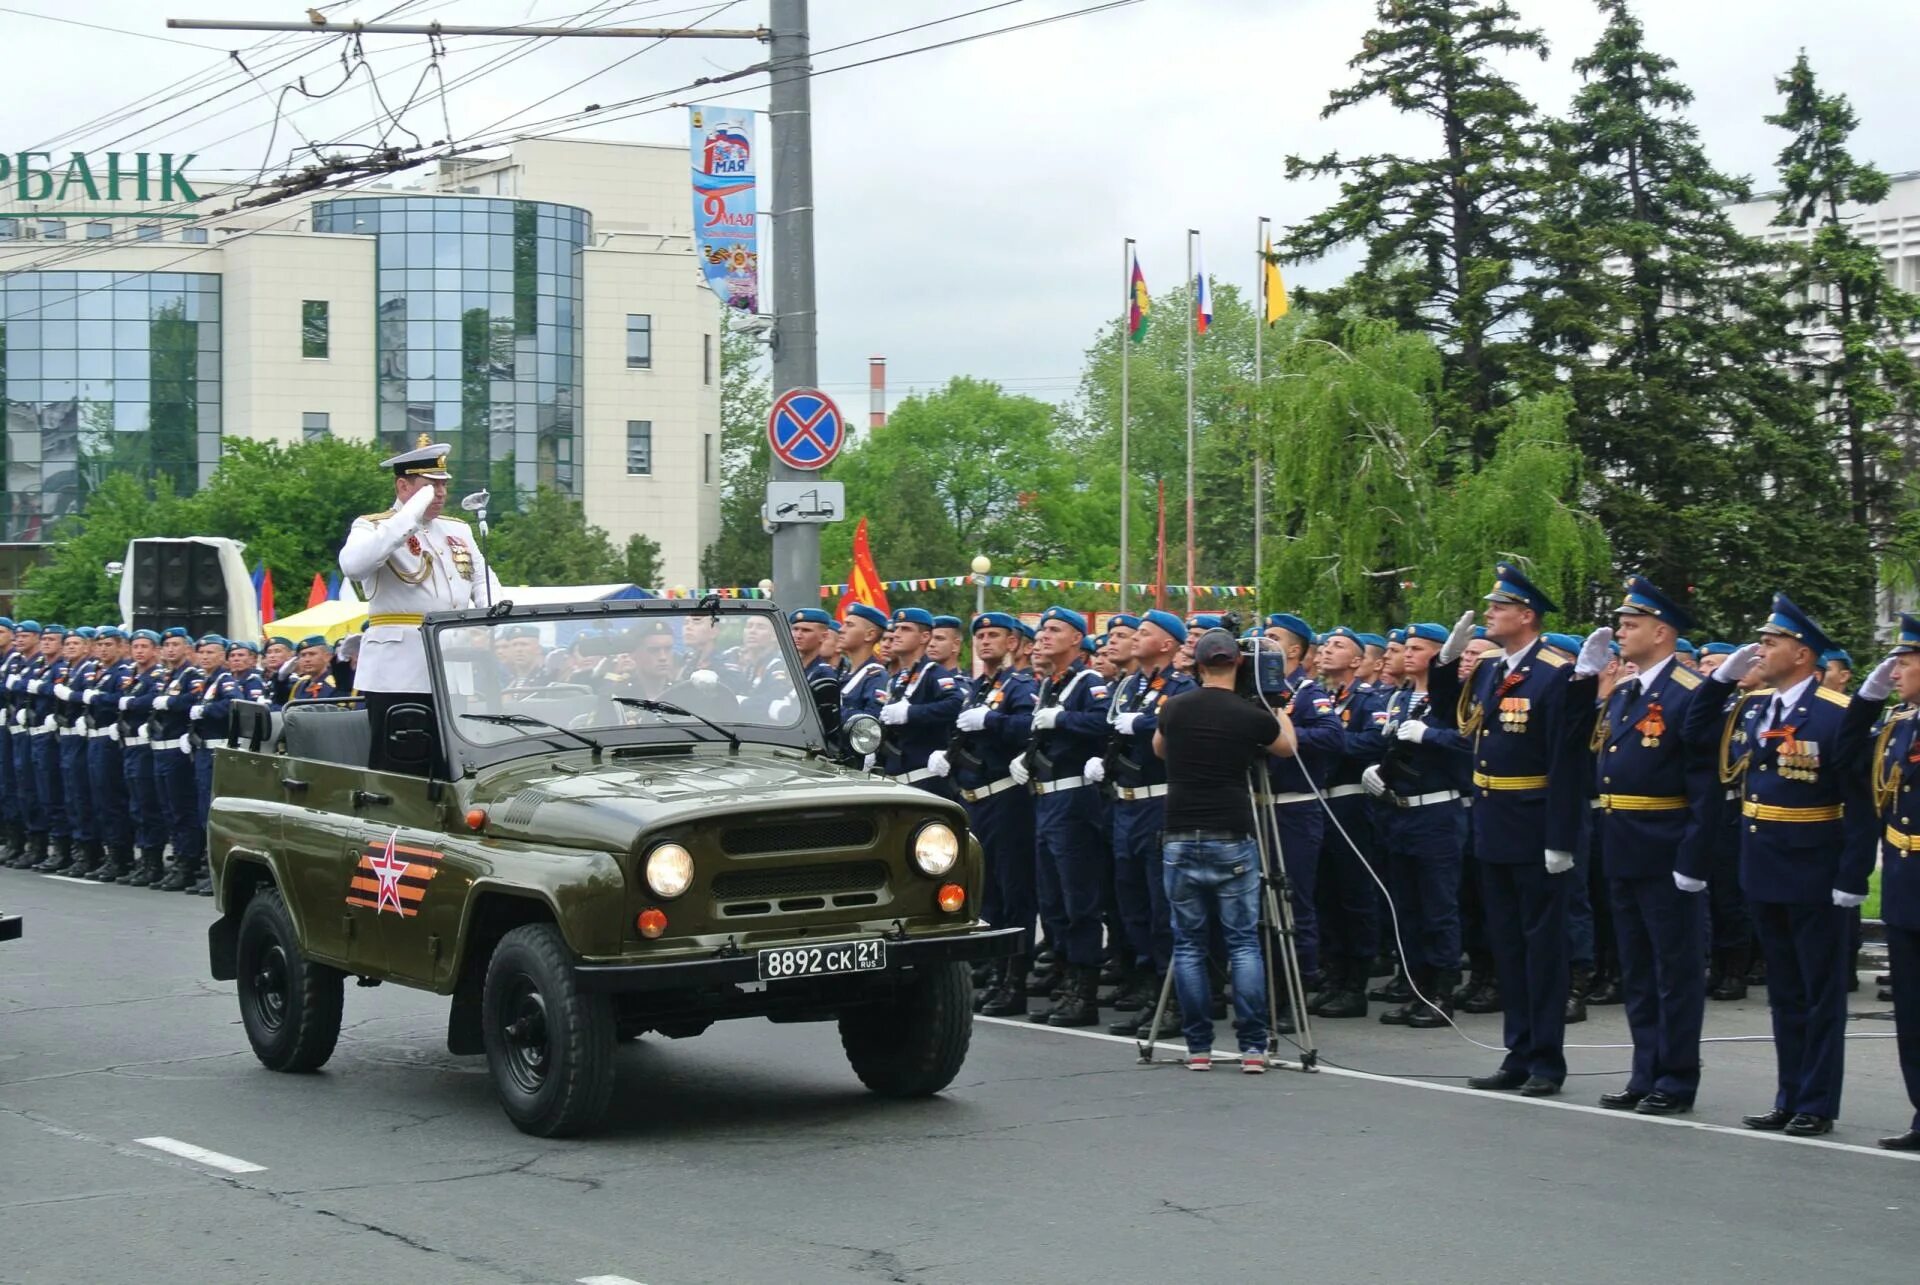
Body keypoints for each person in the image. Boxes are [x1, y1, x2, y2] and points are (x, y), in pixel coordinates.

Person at [1682, 593, 1873, 1137]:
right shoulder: (1754, 705)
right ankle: (1788, 1095)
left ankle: (1816, 1100)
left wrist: (1852, 875)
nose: (1761, 650)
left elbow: (1859, 805)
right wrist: (1720, 682)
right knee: (1785, 992)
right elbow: (1695, 735)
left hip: (1815, 868)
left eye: (1771, 643)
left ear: (1803, 653)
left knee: (1819, 992)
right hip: (1762, 863)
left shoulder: (1838, 715)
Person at [1427, 563, 1586, 1097]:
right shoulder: (1494, 671)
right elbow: (1452, 717)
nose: (1489, 614)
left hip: (1535, 825)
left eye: (1499, 607)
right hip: (1493, 824)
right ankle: (1518, 1053)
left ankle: (1547, 1060)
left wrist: (1561, 838)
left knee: (1543, 949)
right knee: (1508, 948)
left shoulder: (1555, 673)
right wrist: (1446, 663)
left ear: (1526, 616)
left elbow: (1566, 761)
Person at [1568, 577, 1714, 1116]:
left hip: (1666, 847)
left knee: (1674, 971)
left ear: (1662, 631)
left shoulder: (1690, 691)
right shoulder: (1627, 691)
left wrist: (1693, 860)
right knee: (1637, 968)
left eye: (1631, 625)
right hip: (1623, 842)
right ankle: (1645, 1070)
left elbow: (1704, 786)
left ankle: (1676, 1078)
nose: (1620, 633)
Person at [1154, 628, 1296, 1072]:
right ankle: (1253, 1046)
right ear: (1237, 663)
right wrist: (1275, 703)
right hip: (1232, 832)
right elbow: (1287, 748)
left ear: (1197, 666)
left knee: (1190, 944)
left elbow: (1159, 750)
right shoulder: (1247, 714)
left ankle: (1198, 1047)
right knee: (1243, 943)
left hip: (1179, 831)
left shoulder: (1174, 708)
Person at [337, 439, 500, 774]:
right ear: (403, 485)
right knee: (401, 767)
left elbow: (483, 581)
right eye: (430, 486)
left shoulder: (456, 530)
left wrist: (492, 612)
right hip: (400, 673)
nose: (440, 493)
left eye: (443, 485)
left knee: (452, 765)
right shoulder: (373, 527)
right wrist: (407, 516)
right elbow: (354, 565)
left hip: (452, 666)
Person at [1092, 610, 1196, 1034]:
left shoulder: (1181, 686)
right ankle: (1147, 988)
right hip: (1125, 805)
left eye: (1145, 633)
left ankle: (1173, 1001)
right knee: (1131, 903)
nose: (1136, 638)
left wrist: (1149, 722)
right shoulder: (1129, 687)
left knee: (1162, 908)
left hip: (1159, 805)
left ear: (1168, 644)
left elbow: (1186, 726)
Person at [1367, 621, 1473, 1027]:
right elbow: (1387, 745)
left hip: (1436, 813)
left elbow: (1467, 746)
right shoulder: (1400, 697)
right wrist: (1375, 770)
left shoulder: (1452, 701)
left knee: (1438, 908)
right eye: (1405, 647)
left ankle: (1442, 994)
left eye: (1418, 648)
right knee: (1407, 908)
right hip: (1399, 810)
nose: (1407, 653)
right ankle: (1416, 989)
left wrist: (1430, 735)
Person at [1012, 606, 1113, 1026]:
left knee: (1078, 901)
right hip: (1046, 800)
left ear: (1077, 638)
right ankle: (1065, 980)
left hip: (1073, 802)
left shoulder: (1089, 683)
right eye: (1042, 629)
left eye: (1054, 630)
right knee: (1052, 901)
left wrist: (1064, 718)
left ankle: (1083, 992)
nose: (1044, 636)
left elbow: (1105, 725)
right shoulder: (1051, 685)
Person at [937, 612, 1039, 1015]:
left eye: (994, 635)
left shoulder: (1019, 685)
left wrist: (992, 720)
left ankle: (1014, 979)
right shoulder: (982, 685)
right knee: (988, 891)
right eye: (979, 635)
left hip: (1006, 797)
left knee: (1014, 892)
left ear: (1013, 643)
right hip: (975, 797)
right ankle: (995, 973)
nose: (984, 642)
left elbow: (1026, 726)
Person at [1851, 614, 1920, 1149]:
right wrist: (1868, 701)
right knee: (1913, 1013)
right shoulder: (1899, 724)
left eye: (1905, 661)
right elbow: (1849, 753)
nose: (1894, 670)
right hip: (1903, 881)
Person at [1256, 613, 1346, 1018]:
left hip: (1293, 806)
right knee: (1256, 903)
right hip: (1255, 805)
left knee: (1294, 899)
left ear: (1294, 651)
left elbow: (1332, 736)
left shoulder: (1307, 692)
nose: (1261, 641)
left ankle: (1297, 984)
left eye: (1271, 637)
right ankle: (1263, 986)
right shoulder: (1251, 690)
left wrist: (1281, 737)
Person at [1310, 625, 1389, 1019]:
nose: (1326, 650)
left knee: (1355, 895)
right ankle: (1334, 975)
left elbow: (1374, 741)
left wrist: (1327, 741)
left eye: (1337, 646)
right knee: (1325, 893)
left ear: (1357, 661)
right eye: (1325, 644)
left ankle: (1355, 982)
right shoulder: (1316, 697)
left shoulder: (1366, 698)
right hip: (1317, 804)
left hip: (1349, 802)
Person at [877, 607, 963, 793]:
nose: (896, 634)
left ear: (925, 637)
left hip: (924, 779)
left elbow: (955, 704)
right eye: (896, 628)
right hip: (896, 779)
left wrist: (910, 713)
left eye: (905, 629)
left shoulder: (933, 673)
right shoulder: (897, 679)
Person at [148, 630, 208, 892]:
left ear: (187, 649)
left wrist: (170, 702)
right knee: (168, 808)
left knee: (182, 809)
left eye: (176, 645)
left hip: (177, 750)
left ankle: (188, 863)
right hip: (160, 749)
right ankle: (180, 860)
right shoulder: (167, 676)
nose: (170, 649)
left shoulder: (192, 674)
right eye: (167, 645)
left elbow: (191, 701)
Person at [81, 627, 135, 883]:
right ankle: (110, 853)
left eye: (108, 645)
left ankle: (120, 856)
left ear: (120, 647)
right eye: (99, 645)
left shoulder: (122, 671)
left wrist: (100, 698)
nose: (103, 650)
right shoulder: (99, 672)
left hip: (110, 740)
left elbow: (122, 699)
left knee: (112, 799)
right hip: (95, 738)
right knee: (99, 799)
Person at [115, 630, 169, 887]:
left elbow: (151, 701)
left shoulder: (157, 676)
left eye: (145, 646)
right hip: (130, 747)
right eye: (135, 646)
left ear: (155, 651)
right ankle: (145, 859)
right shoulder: (132, 676)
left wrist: (129, 703)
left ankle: (154, 862)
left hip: (146, 748)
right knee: (137, 805)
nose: (139, 651)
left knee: (148, 805)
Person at [838, 603, 891, 731]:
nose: (841, 629)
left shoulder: (876, 676)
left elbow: (870, 723)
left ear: (870, 635)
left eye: (849, 625)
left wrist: (832, 712)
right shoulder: (844, 673)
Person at [790, 608, 838, 685]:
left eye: (806, 630)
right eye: (795, 629)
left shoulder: (823, 674)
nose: (798, 635)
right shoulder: (788, 668)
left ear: (823, 637)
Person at [289, 635, 339, 700]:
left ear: (327, 657)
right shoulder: (300, 684)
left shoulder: (333, 684)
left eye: (312, 654)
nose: (307, 659)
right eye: (303, 655)